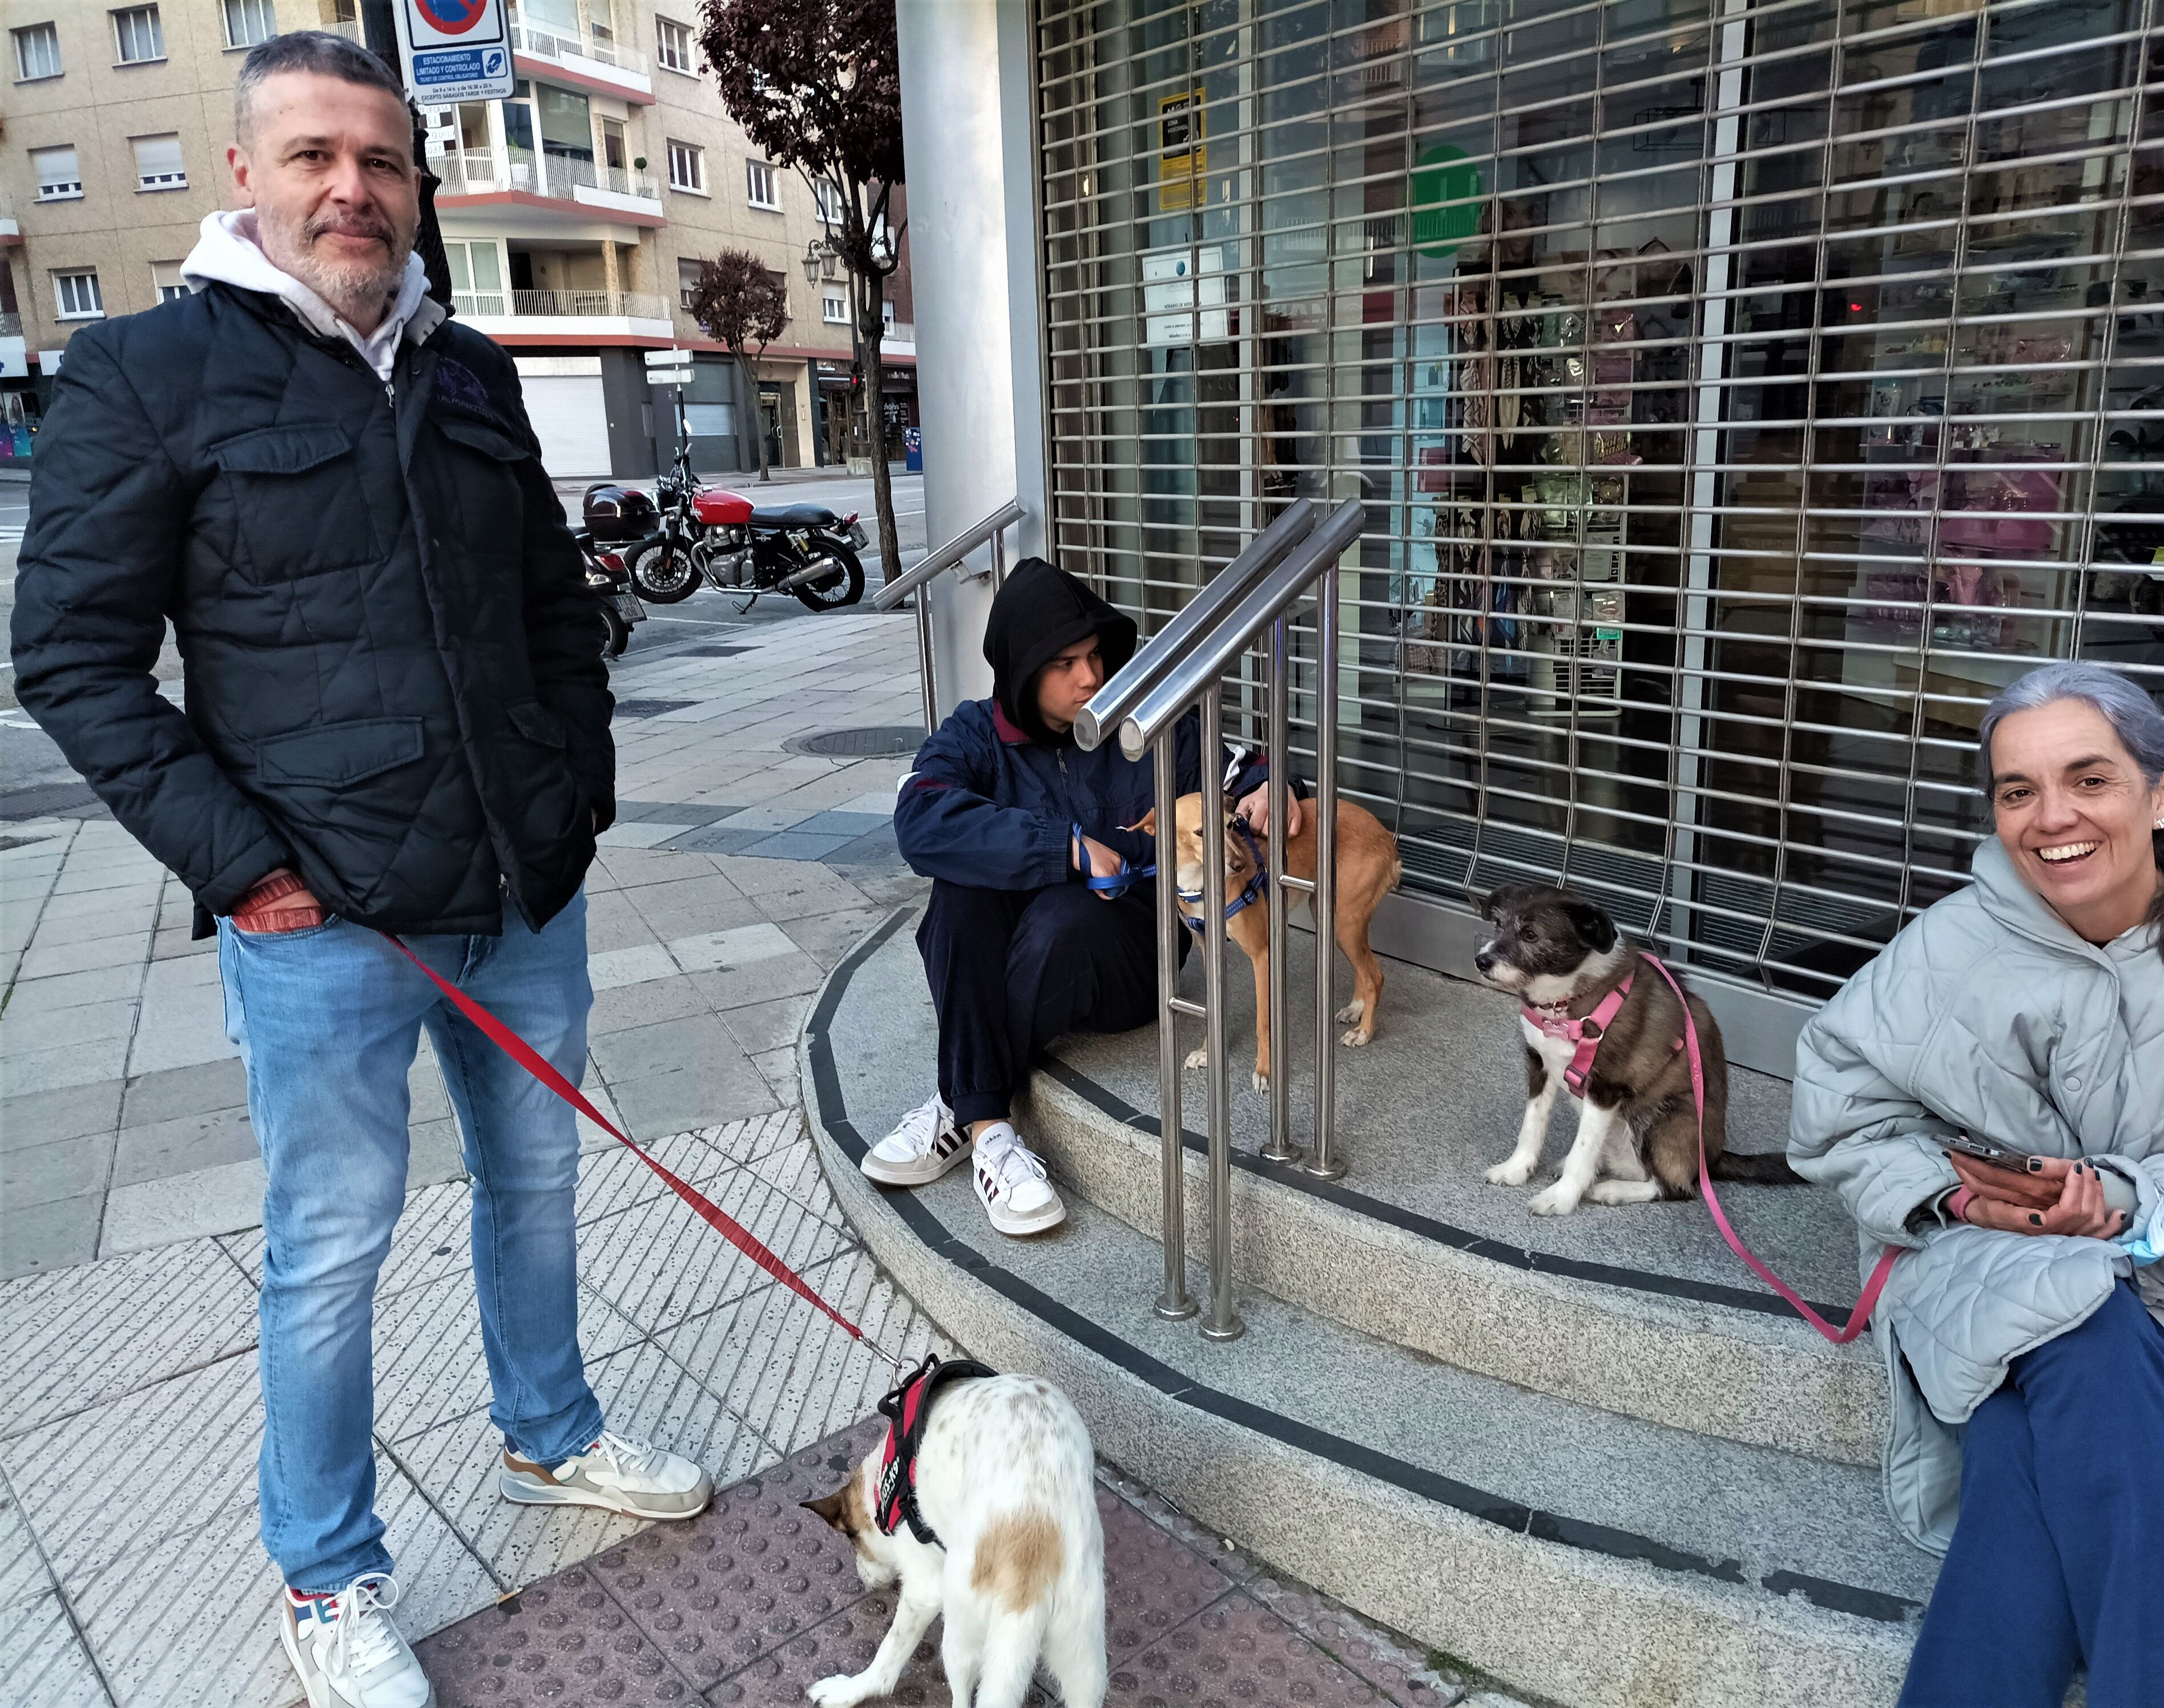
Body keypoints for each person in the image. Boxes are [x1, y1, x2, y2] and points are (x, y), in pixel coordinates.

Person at [9, 34, 711, 1708]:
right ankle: (326, 1578)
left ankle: (549, 1435)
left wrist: (577, 797)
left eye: (382, 159)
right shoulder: (145, 374)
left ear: (416, 185)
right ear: (244, 173)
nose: (351, 186)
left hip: (519, 891)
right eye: (314, 154)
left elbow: (553, 604)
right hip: (317, 919)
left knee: (536, 1188)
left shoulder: (461, 371)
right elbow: (72, 660)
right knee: (332, 1244)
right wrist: (244, 868)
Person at [1790, 661, 2164, 1707]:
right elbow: (1840, 1112)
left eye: (2089, 779)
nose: (2051, 817)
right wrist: (1960, 1197)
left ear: (2163, 793)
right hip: (1984, 1257)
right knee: (2070, 1319)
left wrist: (2136, 1198)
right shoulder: (1953, 944)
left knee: (2044, 1397)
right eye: (2017, 790)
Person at [871, 558, 1297, 1235]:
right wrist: (1062, 847)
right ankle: (988, 1130)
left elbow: (1233, 766)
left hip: (1130, 956)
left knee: (1063, 916)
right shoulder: (976, 734)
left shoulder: (1141, 724)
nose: (1090, 677)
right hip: (1026, 942)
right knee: (959, 891)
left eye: (1094, 655)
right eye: (1064, 662)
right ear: (1021, 669)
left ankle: (959, 1104)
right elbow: (919, 819)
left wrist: (1270, 783)